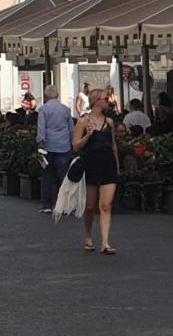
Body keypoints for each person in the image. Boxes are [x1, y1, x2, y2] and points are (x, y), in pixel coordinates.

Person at [72, 88, 120, 255]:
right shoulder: (83, 121)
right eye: (105, 99)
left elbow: (113, 144)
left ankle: (105, 242)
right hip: (91, 164)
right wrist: (88, 136)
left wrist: (117, 164)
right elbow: (75, 145)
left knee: (106, 205)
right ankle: (88, 236)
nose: (108, 101)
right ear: (96, 101)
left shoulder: (110, 122)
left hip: (107, 163)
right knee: (91, 206)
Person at [36, 86, 73, 215]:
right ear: (57, 95)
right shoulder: (66, 109)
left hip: (48, 146)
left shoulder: (43, 110)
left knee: (47, 175)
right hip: (64, 145)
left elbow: (41, 128)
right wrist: (72, 142)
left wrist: (40, 143)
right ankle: (65, 205)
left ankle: (47, 204)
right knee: (64, 176)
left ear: (46, 96)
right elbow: (71, 128)